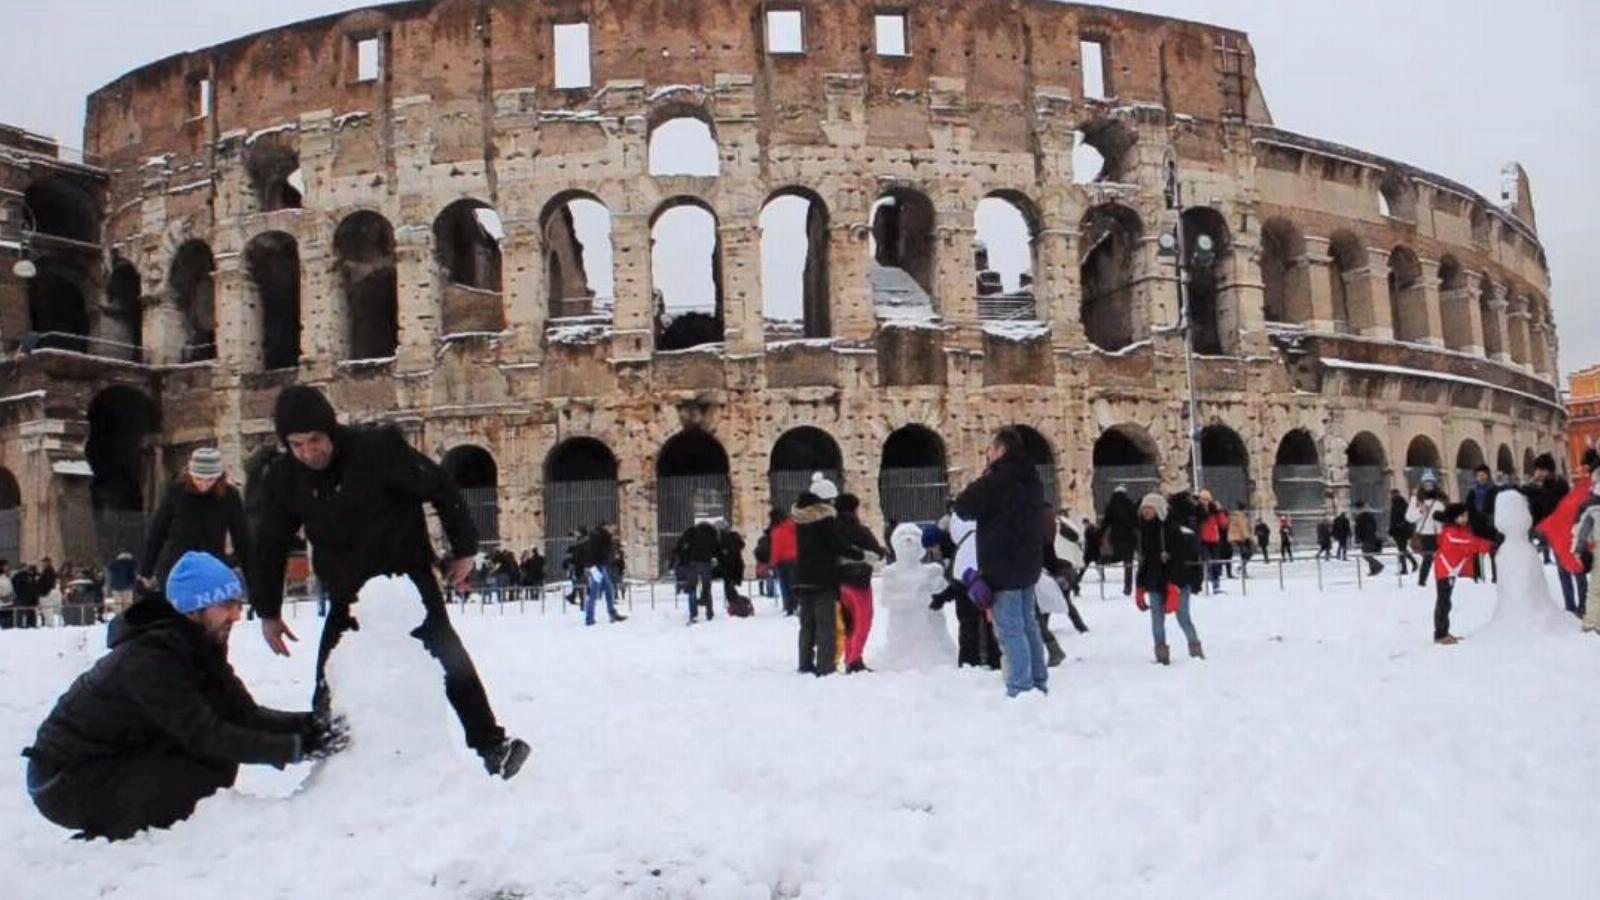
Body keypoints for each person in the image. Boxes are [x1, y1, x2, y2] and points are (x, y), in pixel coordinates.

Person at [248, 385, 528, 779]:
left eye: (315, 441)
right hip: (348, 591)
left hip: (405, 580)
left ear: (329, 431)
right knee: (329, 672)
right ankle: (329, 760)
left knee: (450, 660)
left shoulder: (377, 450)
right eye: (297, 445)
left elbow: (440, 487)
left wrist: (464, 549)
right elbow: (271, 543)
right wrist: (268, 611)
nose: (309, 452)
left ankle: (491, 745)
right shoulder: (284, 478)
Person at [22, 552, 347, 841]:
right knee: (200, 774)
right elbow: (205, 733)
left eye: (237, 604)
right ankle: (116, 831)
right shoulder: (151, 658)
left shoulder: (197, 644)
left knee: (213, 766)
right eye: (226, 605)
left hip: (112, 756)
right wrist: (297, 748)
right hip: (61, 780)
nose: (235, 615)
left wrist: (313, 728)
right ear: (194, 608)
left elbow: (244, 714)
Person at [953, 427, 1049, 697]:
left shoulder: (997, 480)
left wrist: (985, 476)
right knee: (1029, 624)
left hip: (1003, 564)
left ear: (1001, 450)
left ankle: (1020, 686)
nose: (988, 454)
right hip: (1028, 562)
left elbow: (963, 506)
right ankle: (1038, 680)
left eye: (990, 450)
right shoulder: (1032, 478)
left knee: (1010, 630)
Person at [140, 448, 252, 590]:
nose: (204, 484)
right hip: (177, 570)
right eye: (198, 478)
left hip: (211, 571)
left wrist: (247, 574)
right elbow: (157, 532)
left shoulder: (229, 496)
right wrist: (146, 571)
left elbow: (243, 538)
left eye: (210, 479)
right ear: (190, 474)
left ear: (219, 476)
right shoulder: (176, 493)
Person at [791, 473, 862, 676]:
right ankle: (825, 666)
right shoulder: (824, 518)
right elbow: (835, 544)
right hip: (822, 578)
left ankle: (805, 663)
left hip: (802, 576)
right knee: (825, 624)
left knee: (806, 624)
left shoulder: (800, 518)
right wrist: (857, 553)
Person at [1134, 492, 1203, 665]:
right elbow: (1144, 561)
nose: (1146, 512)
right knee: (1157, 620)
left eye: (1149, 509)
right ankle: (1161, 654)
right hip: (1155, 583)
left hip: (1176, 581)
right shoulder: (1143, 532)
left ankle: (1195, 649)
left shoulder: (1172, 530)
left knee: (1183, 617)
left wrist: (1175, 584)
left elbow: (1180, 559)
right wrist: (1139, 587)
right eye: (1144, 509)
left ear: (1158, 510)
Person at [1533, 450, 1595, 617]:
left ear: (1548, 470)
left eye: (1540, 470)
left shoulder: (1559, 486)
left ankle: (1583, 605)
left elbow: (1554, 508)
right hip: (1555, 534)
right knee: (1563, 570)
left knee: (1576, 568)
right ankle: (1570, 606)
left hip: (1567, 533)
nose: (1537, 473)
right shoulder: (1543, 488)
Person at [833, 494, 886, 671]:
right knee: (861, 621)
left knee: (846, 622)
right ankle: (854, 659)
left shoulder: (832, 529)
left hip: (837, 581)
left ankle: (844, 657)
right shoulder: (859, 530)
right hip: (859, 582)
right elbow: (877, 551)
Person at [1430, 503, 1494, 645]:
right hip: (1445, 571)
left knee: (1446, 601)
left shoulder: (1459, 530)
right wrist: (1491, 546)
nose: (1466, 518)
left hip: (1449, 570)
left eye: (1466, 515)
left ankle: (1443, 631)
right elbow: (1470, 543)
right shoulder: (1451, 532)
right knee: (1443, 602)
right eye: (1462, 516)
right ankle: (1440, 634)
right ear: (1455, 518)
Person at [675, 518, 721, 624]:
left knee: (692, 588)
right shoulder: (712, 533)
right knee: (707, 588)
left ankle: (693, 614)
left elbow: (682, 545)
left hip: (693, 563)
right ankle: (709, 612)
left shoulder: (692, 531)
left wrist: (684, 559)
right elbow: (717, 549)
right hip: (706, 563)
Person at [1406, 472, 1448, 587]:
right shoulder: (1417, 499)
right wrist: (1420, 511)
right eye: (1426, 484)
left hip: (1439, 534)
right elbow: (1409, 518)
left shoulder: (1442, 499)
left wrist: (1442, 517)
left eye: (1430, 484)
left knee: (1442, 559)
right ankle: (1422, 582)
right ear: (1422, 485)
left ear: (1435, 484)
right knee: (1427, 559)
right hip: (1424, 535)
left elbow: (1447, 516)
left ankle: (1443, 580)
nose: (1428, 486)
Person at [583, 524, 626, 626]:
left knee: (609, 589)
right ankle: (589, 619)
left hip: (599, 567)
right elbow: (605, 550)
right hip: (598, 567)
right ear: (606, 527)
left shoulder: (597, 536)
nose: (613, 531)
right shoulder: (602, 537)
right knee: (594, 593)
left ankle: (612, 613)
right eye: (612, 528)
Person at [1572, 478, 1600, 635]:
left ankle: (1592, 623)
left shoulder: (1590, 504)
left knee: (1596, 589)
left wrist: (1579, 549)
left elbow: (1581, 529)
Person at [1465, 464, 1501, 583]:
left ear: (1488, 475)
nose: (1481, 477)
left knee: (1494, 552)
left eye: (1483, 475)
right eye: (1478, 475)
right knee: (1476, 553)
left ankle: (1497, 576)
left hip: (1491, 525)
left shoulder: (1495, 490)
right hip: (1477, 526)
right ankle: (1478, 576)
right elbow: (1468, 509)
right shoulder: (1472, 492)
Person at [1102, 485, 1139, 596]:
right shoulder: (1130, 504)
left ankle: (1103, 561)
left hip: (1116, 538)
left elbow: (1106, 522)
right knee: (1128, 563)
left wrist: (1100, 532)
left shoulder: (1111, 505)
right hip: (1129, 538)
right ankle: (1128, 586)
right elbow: (1135, 520)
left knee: (1117, 557)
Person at [716, 520, 751, 616]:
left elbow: (722, 553)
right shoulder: (734, 537)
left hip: (730, 568)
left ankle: (741, 606)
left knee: (729, 590)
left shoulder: (724, 538)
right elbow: (740, 546)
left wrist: (724, 552)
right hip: (735, 567)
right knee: (729, 589)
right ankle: (738, 606)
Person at [1196, 490, 1228, 592]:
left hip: (1214, 540)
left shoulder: (1214, 511)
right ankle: (1200, 584)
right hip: (1202, 540)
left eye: (1207, 500)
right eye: (1202, 499)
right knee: (1205, 562)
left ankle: (1216, 583)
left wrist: (1220, 512)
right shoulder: (1196, 510)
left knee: (1215, 563)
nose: (1204, 502)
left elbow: (1223, 524)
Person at [769, 507, 798, 616]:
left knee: (785, 585)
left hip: (783, 562)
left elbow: (776, 549)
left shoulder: (777, 531)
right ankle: (795, 605)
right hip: (796, 559)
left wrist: (773, 563)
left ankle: (789, 607)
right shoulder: (794, 527)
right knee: (794, 584)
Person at [1388, 488, 1418, 575]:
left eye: (1392, 494)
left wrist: (1398, 525)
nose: (1391, 496)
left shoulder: (1399, 503)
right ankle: (1413, 564)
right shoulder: (1396, 503)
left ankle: (1405, 569)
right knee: (1402, 549)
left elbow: (1403, 516)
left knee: (1401, 550)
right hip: (1399, 530)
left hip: (1401, 531)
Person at [1353, 500, 1385, 576]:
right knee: (1368, 553)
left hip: (1367, 537)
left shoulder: (1361, 516)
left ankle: (1378, 566)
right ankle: (1373, 569)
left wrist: (1358, 537)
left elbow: (1359, 529)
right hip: (1370, 536)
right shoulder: (1368, 515)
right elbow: (1373, 526)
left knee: (1365, 554)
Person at [105, 551, 138, 616]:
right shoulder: (131, 564)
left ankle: (118, 617)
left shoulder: (114, 564)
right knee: (127, 605)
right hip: (128, 587)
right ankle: (126, 618)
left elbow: (109, 568)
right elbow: (133, 575)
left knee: (118, 605)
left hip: (116, 587)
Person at [1228, 502, 1254, 578]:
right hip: (1241, 537)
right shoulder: (1240, 516)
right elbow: (1243, 528)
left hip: (1236, 537)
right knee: (1247, 553)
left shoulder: (1234, 515)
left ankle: (1242, 569)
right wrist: (1247, 538)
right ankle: (1242, 569)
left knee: (1244, 554)